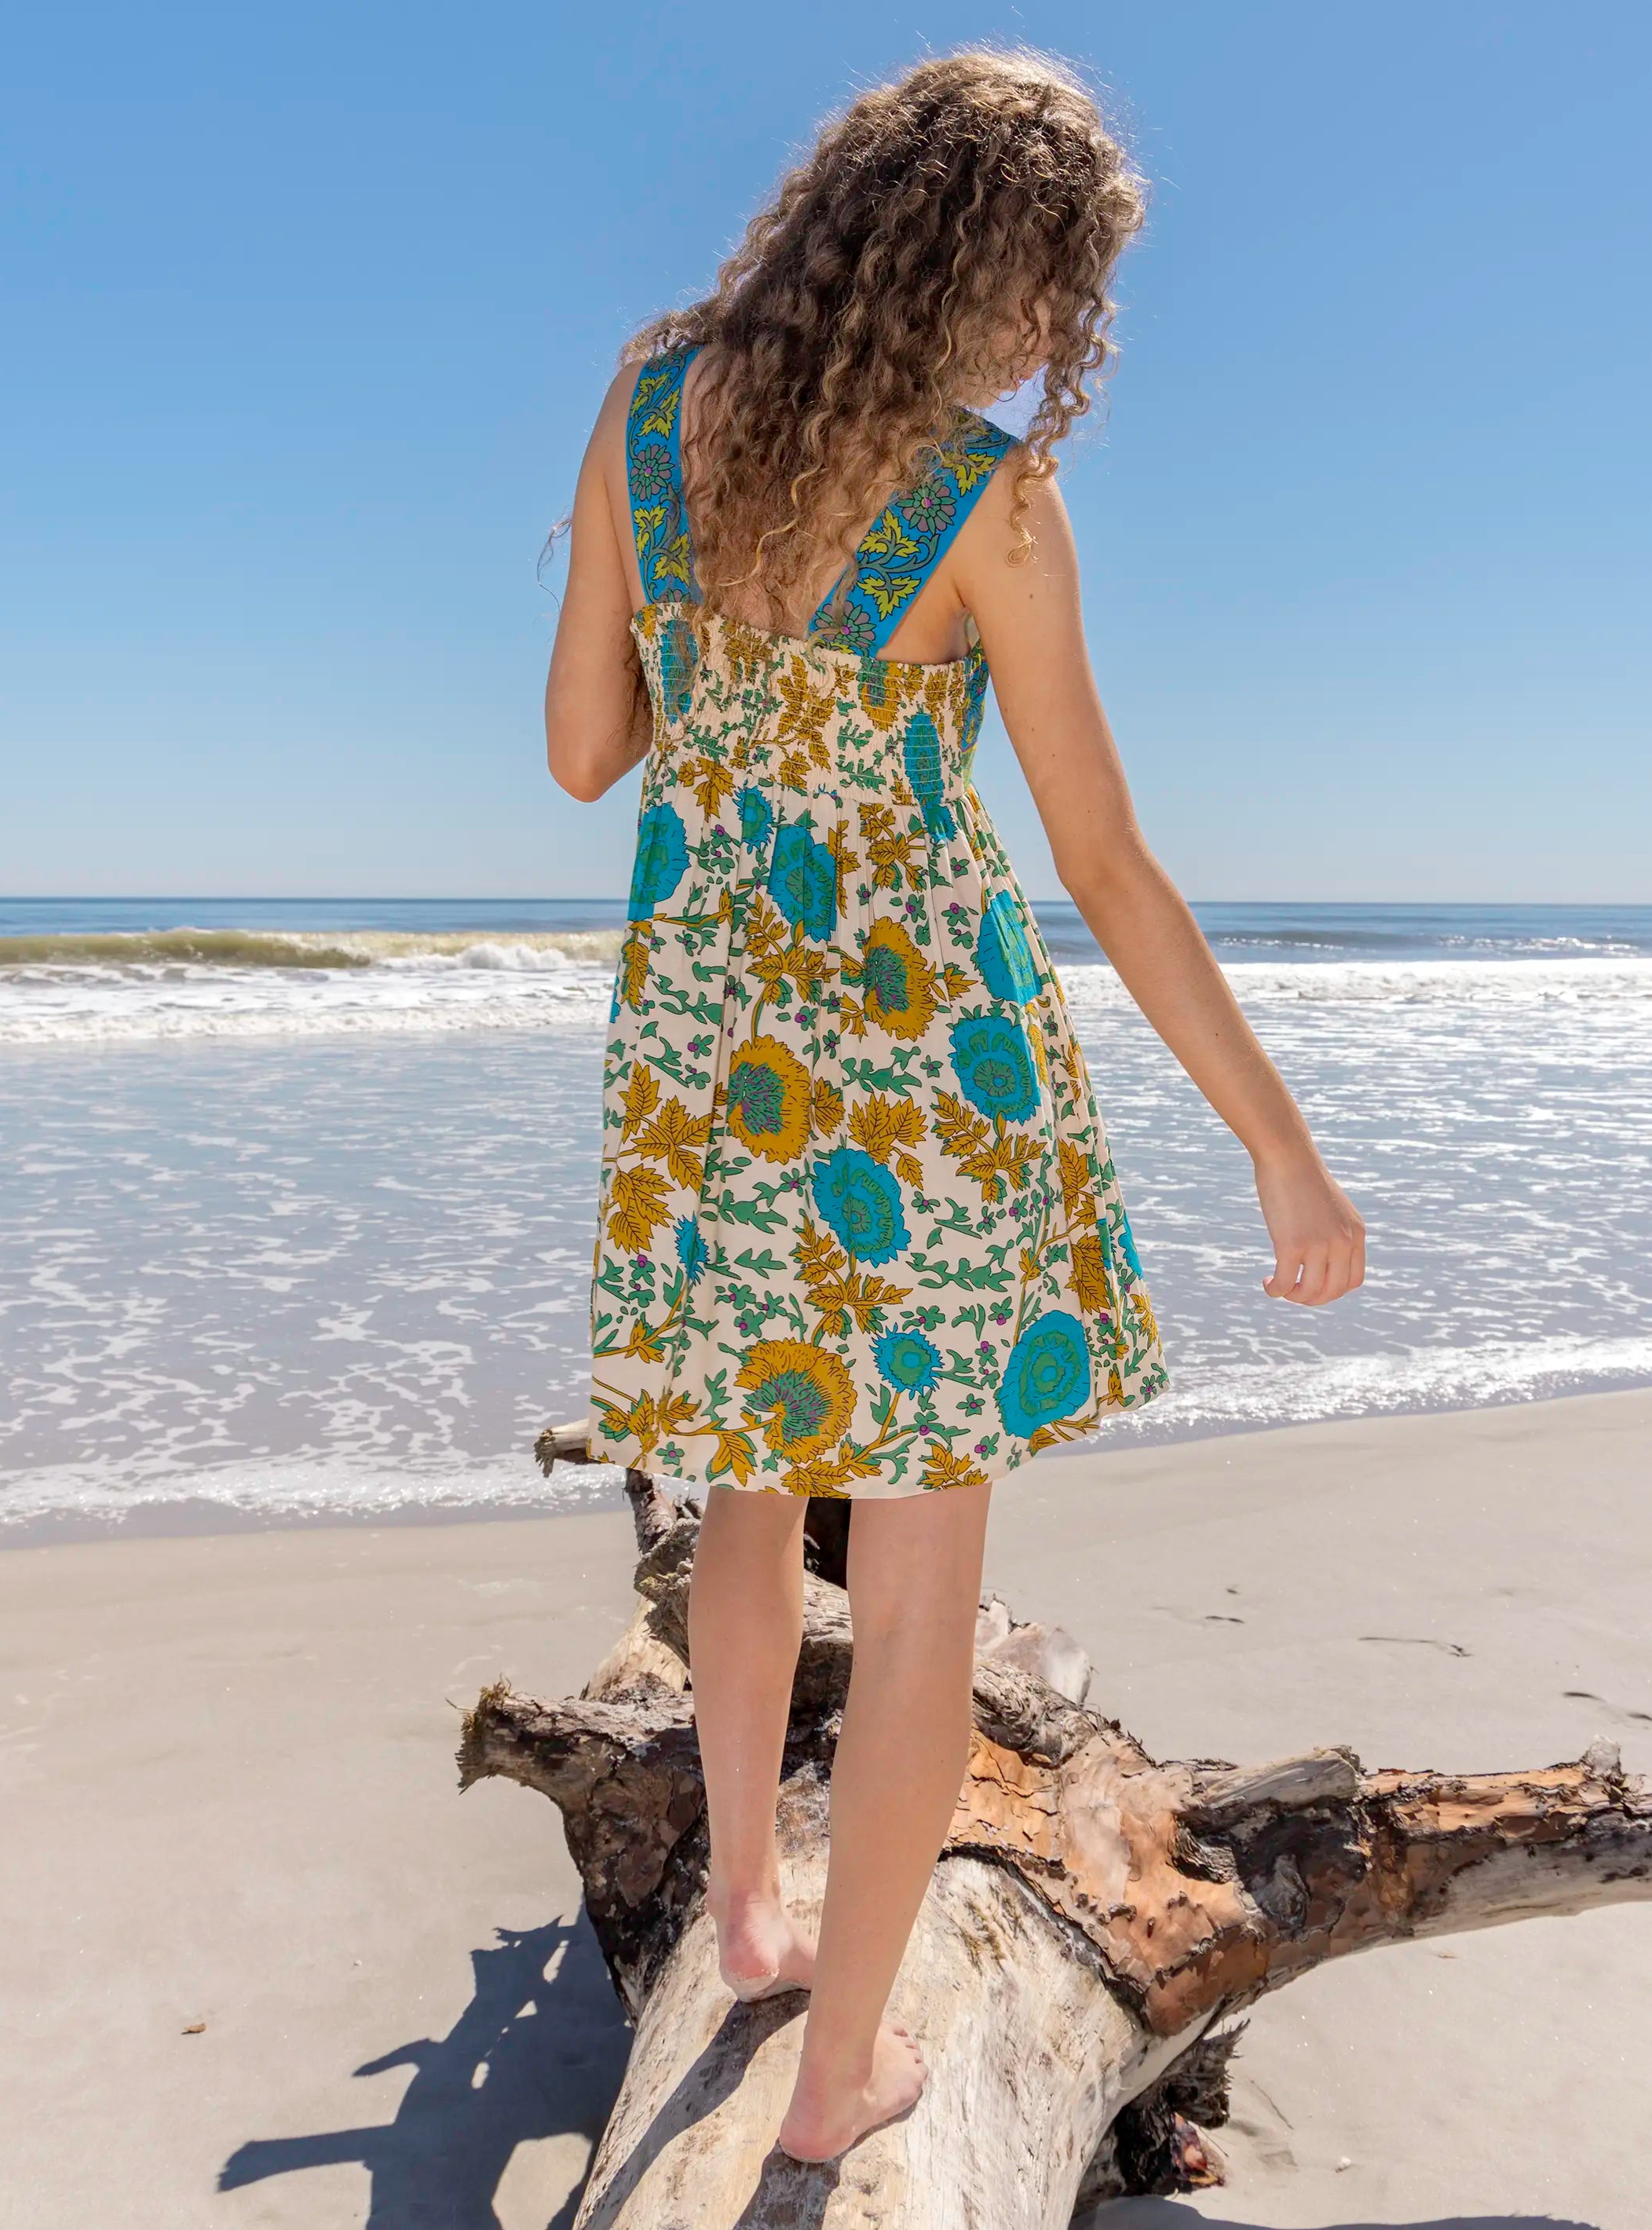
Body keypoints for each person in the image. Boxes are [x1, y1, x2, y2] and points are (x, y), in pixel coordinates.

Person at [545, 48, 1364, 2165]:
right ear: (989, 267)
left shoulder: (647, 411)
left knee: (746, 1490)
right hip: (930, 1088)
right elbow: (1103, 861)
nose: (1051, 335)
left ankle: (749, 1912)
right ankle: (838, 2076)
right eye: (1055, 288)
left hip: (715, 1061)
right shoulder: (986, 503)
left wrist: (707, 666)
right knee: (914, 1594)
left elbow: (582, 753)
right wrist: (1277, 1142)